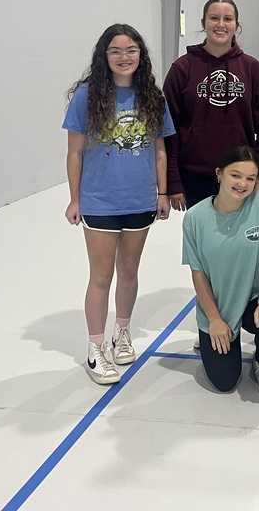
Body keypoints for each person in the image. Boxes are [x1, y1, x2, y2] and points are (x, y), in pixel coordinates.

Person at [63, 23, 174, 385]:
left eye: (131, 50)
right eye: (116, 51)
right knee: (101, 276)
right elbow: (75, 153)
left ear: (140, 55)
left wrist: (160, 193)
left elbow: (160, 151)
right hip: (99, 201)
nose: (124, 57)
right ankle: (96, 348)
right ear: (104, 56)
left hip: (139, 199)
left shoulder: (151, 96)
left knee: (128, 273)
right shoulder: (87, 95)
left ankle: (121, 332)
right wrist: (75, 199)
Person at [182, 145, 259, 395]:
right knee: (225, 383)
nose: (243, 183)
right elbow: (198, 273)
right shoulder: (195, 218)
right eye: (236, 175)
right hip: (219, 308)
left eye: (250, 178)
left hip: (253, 299)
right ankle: (217, 338)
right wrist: (215, 320)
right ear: (219, 173)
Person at [163, 0, 259, 209]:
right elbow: (168, 131)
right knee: (203, 240)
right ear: (203, 23)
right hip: (194, 177)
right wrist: (173, 180)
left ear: (236, 25)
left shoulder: (252, 69)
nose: (221, 24)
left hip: (241, 176)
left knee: (241, 241)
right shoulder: (182, 69)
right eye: (214, 18)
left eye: (228, 19)